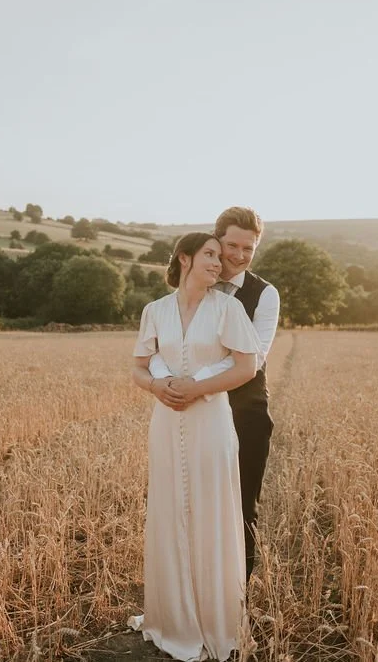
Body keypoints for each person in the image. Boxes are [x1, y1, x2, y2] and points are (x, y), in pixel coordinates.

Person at [128, 232, 263, 662]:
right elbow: (138, 364)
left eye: (219, 257)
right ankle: (172, 619)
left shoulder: (230, 308)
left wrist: (197, 387)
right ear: (183, 259)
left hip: (210, 421)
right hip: (166, 420)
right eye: (209, 254)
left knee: (211, 512)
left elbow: (247, 365)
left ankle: (215, 621)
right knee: (169, 511)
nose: (219, 262)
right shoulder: (155, 310)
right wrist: (156, 387)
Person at [149, 207, 279, 581]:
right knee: (188, 502)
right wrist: (167, 383)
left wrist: (195, 385)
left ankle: (235, 600)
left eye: (248, 249)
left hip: (244, 412)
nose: (238, 256)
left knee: (240, 506)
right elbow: (165, 346)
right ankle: (192, 593)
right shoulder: (188, 290)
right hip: (191, 414)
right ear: (215, 241)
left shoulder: (264, 295)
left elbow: (254, 358)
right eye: (231, 245)